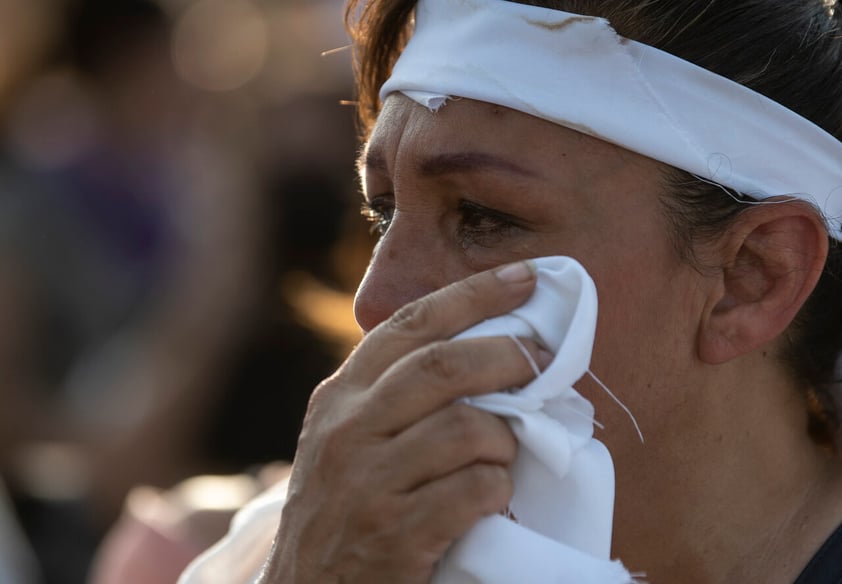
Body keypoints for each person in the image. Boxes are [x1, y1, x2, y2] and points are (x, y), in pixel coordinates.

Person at [179, 0, 842, 582]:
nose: (374, 303)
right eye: (382, 212)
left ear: (753, 277)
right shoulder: (306, 549)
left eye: (483, 217)